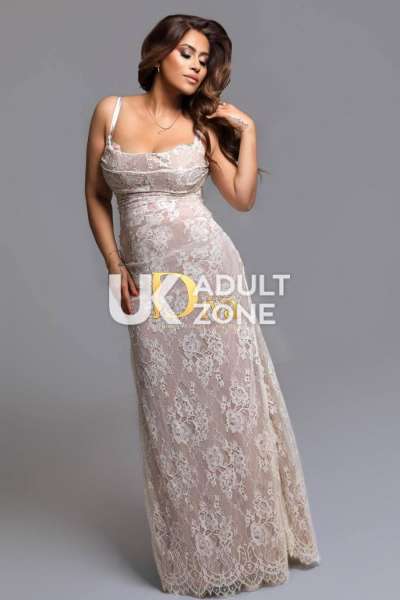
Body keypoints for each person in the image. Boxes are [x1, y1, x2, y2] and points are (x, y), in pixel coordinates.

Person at [84, 13, 320, 598]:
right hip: (151, 288)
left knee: (233, 407)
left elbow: (240, 198)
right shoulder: (110, 112)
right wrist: (115, 265)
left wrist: (248, 129)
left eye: (204, 59)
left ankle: (255, 544)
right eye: (187, 53)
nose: (196, 66)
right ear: (159, 53)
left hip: (211, 276)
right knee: (172, 416)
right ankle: (197, 557)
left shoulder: (203, 126)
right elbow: (95, 194)